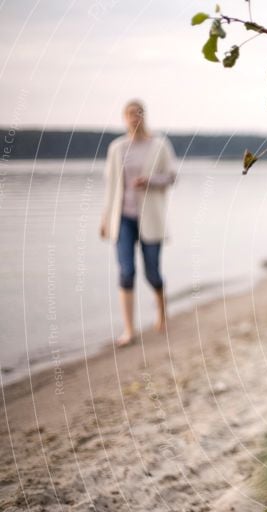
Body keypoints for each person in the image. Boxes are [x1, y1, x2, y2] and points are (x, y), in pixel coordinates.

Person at [100, 99, 177, 347]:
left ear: (144, 117)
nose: (134, 118)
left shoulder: (159, 145)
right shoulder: (116, 148)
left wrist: (150, 180)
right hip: (122, 218)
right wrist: (105, 219)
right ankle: (129, 330)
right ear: (124, 118)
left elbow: (172, 176)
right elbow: (110, 186)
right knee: (126, 272)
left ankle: (162, 316)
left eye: (138, 114)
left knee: (152, 273)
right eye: (130, 114)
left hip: (150, 219)